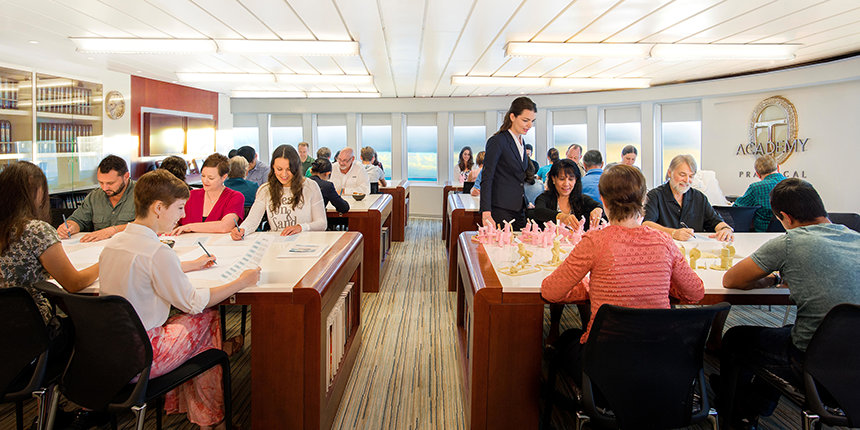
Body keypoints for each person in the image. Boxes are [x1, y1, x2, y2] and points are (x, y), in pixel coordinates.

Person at [99, 169, 261, 430]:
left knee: (192, 323)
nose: (182, 215)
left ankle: (185, 407)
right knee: (205, 318)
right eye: (179, 208)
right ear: (158, 208)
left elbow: (146, 267)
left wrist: (188, 265)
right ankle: (212, 419)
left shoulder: (115, 243)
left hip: (108, 351)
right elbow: (193, 302)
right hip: (143, 357)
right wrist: (241, 281)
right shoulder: (156, 251)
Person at [541, 164, 704, 384]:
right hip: (659, 356)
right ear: (644, 199)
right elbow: (695, 292)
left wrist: (589, 287)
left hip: (606, 361)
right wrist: (660, 284)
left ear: (603, 201)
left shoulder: (596, 242)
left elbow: (551, 291)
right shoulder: (664, 241)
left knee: (567, 338)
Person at [719, 179, 860, 428]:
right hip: (854, 358)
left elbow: (732, 279)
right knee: (785, 333)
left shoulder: (790, 242)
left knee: (736, 338)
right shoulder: (855, 238)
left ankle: (736, 414)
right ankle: (756, 403)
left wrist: (773, 279)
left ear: (785, 217)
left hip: (815, 364)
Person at [0, 161, 101, 428]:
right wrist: (105, 262)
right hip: (32, 339)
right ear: (36, 193)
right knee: (88, 330)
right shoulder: (34, 230)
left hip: (5, 337)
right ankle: (85, 406)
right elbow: (74, 283)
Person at [233, 145, 327, 238]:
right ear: (273, 167)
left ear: (296, 168)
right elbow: (252, 220)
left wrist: (301, 227)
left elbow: (322, 223)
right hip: (277, 243)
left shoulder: (310, 186)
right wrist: (242, 230)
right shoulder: (265, 190)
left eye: (289, 169)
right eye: (279, 169)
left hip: (305, 242)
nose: (284, 174)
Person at [643, 154, 734, 242]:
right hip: (664, 247)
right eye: (682, 175)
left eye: (691, 176)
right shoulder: (655, 196)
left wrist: (725, 229)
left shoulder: (699, 197)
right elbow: (646, 224)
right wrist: (673, 233)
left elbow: (715, 220)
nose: (687, 180)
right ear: (670, 173)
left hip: (694, 248)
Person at [480, 96, 536, 230]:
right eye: (525, 120)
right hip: (501, 208)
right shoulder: (498, 141)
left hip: (519, 208)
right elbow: (487, 178)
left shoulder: (522, 142)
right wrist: (486, 212)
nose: (529, 125)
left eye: (532, 121)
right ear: (512, 117)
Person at [57, 154, 136, 243]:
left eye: (110, 183)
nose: (104, 188)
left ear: (126, 176)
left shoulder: (143, 194)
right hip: (98, 248)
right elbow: (78, 220)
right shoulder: (95, 196)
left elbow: (147, 226)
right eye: (101, 182)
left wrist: (113, 230)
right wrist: (70, 226)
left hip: (130, 246)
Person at [171, 153, 244, 235]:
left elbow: (225, 226)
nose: (205, 181)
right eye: (203, 176)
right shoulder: (190, 196)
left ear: (224, 177)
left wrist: (190, 227)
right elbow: (173, 222)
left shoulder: (234, 197)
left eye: (211, 178)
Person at [532, 159, 603, 229]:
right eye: (562, 179)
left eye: (571, 179)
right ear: (553, 179)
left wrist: (598, 209)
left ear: (576, 180)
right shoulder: (544, 198)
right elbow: (539, 211)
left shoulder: (582, 199)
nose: (566, 184)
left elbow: (598, 206)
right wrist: (560, 217)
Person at [733, 155, 787, 232]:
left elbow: (736, 209)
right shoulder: (794, 184)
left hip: (763, 234)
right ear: (778, 168)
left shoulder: (756, 188)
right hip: (789, 232)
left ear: (757, 174)